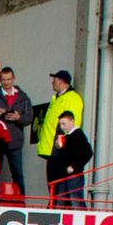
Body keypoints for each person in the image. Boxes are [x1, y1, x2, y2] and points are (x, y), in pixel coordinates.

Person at [36, 71, 86, 201]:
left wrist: (63, 145)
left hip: (60, 150)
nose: (52, 82)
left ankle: (58, 209)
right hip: (52, 150)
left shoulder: (72, 98)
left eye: (54, 79)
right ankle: (54, 206)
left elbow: (71, 124)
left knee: (60, 186)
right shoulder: (57, 98)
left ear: (61, 81)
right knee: (53, 185)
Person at [46, 112, 94, 209]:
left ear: (72, 121)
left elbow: (88, 152)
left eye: (64, 123)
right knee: (61, 200)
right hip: (65, 173)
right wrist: (60, 148)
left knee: (75, 199)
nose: (62, 127)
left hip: (74, 174)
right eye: (60, 124)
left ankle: (82, 220)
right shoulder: (67, 136)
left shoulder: (78, 135)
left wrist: (74, 166)